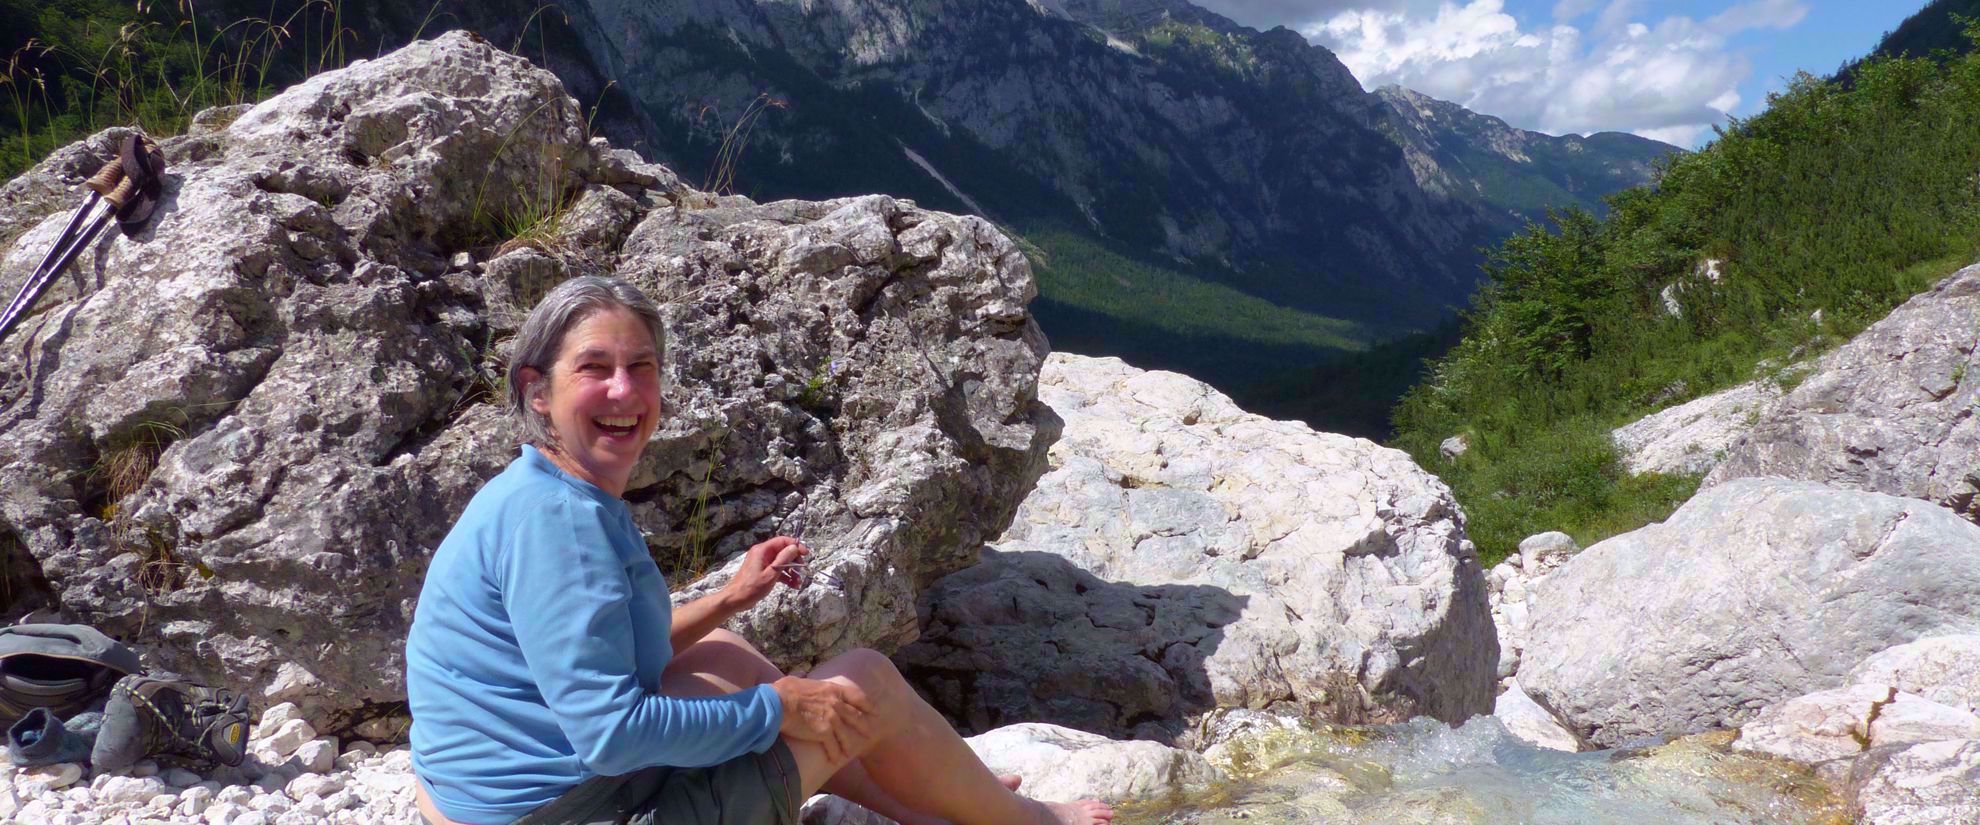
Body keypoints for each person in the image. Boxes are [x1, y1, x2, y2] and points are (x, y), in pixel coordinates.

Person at [405, 275, 1114, 825]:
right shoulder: (558, 523)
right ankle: (1022, 817)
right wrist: (777, 708)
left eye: (642, 366)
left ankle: (916, 796)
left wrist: (729, 600)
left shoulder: (543, 489)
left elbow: (605, 650)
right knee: (861, 678)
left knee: (723, 656)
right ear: (537, 390)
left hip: (482, 799)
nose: (625, 390)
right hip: (563, 811)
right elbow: (610, 736)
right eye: (595, 367)